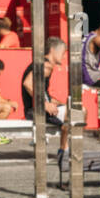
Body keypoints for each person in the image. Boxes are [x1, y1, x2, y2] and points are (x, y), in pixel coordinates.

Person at [21, 36, 69, 173]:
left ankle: (63, 149)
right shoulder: (45, 65)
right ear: (53, 50)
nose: (64, 57)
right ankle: (63, 151)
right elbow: (28, 84)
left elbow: (45, 95)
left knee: (75, 110)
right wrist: (44, 104)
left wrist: (58, 103)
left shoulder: (45, 65)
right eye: (63, 52)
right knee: (76, 112)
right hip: (35, 110)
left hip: (39, 108)